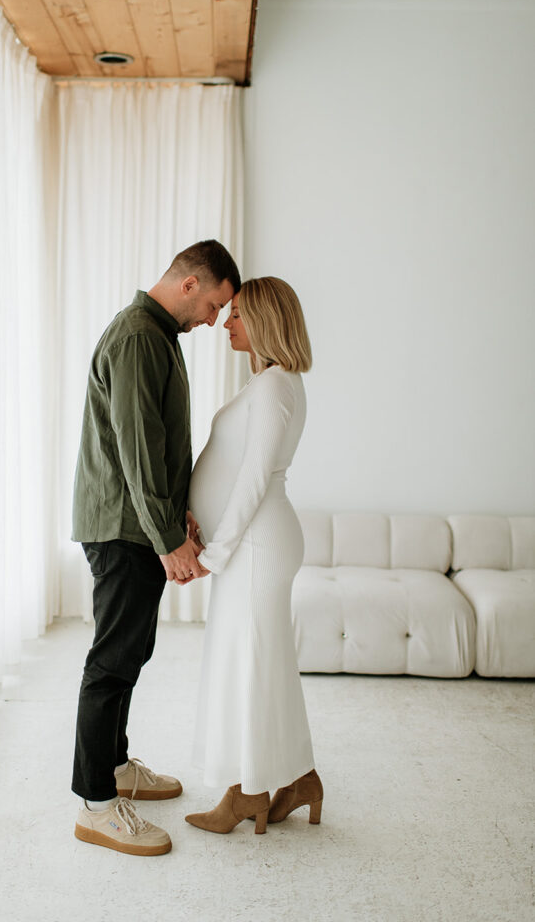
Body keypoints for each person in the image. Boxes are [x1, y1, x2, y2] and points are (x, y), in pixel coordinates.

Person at [71, 240, 241, 857]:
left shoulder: (155, 333)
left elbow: (158, 446)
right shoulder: (141, 336)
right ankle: (95, 805)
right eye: (216, 304)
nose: (215, 320)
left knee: (129, 652)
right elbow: (139, 452)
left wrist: (178, 518)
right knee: (112, 661)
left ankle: (114, 769)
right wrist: (169, 540)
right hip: (123, 526)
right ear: (191, 283)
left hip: (134, 522)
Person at [184, 276, 323, 835]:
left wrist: (216, 553)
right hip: (253, 544)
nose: (227, 323)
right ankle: (294, 780)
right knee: (262, 666)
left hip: (256, 545)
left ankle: (249, 793)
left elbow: (252, 480)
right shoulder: (273, 383)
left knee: (252, 666)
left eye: (238, 313)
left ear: (265, 320)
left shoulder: (274, 388)